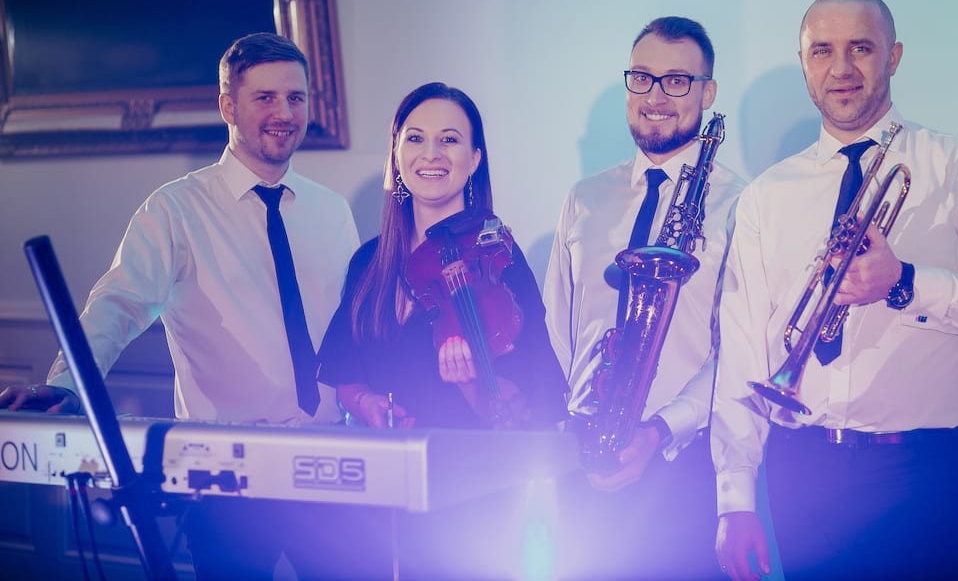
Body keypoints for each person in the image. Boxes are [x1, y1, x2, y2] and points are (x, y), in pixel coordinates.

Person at [711, 0, 958, 581]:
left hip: (920, 473)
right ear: (804, 64)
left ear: (893, 56)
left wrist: (905, 283)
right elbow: (741, 351)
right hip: (801, 470)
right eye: (822, 51)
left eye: (861, 48)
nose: (841, 68)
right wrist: (735, 498)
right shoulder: (766, 195)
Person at [0, 32, 364, 580]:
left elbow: (354, 328)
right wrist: (68, 386)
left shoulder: (331, 210)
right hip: (225, 477)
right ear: (228, 107)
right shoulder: (175, 209)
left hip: (329, 462)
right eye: (265, 97)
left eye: (296, 97)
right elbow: (118, 304)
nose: (285, 113)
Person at [316, 81, 568, 578]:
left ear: (474, 159)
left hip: (470, 503)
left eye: (449, 139)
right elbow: (345, 372)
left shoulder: (499, 259)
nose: (430, 153)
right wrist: (366, 403)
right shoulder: (369, 260)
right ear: (396, 154)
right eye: (415, 138)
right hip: (383, 498)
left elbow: (526, 414)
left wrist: (473, 382)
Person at [544, 16, 746, 580]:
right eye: (642, 77)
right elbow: (557, 328)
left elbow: (738, 351)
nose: (655, 97)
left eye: (677, 81)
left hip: (679, 467)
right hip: (583, 460)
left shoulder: (743, 205)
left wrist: (659, 431)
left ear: (708, 92)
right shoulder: (584, 197)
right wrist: (572, 430)